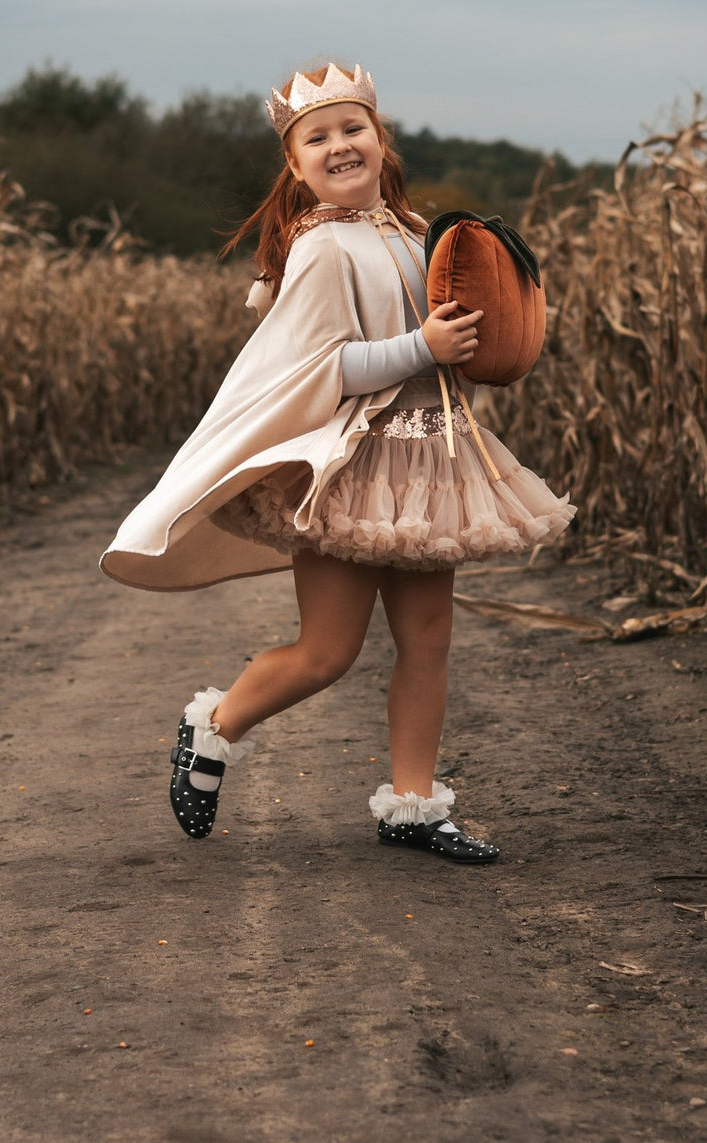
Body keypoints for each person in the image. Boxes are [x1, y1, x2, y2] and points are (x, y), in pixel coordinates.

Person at [101, 62, 575, 863]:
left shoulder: (417, 233)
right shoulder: (320, 249)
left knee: (428, 638)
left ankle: (414, 808)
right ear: (296, 165)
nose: (339, 144)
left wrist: (485, 334)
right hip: (349, 471)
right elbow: (319, 370)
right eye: (317, 137)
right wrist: (419, 346)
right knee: (329, 649)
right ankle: (214, 726)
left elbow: (455, 337)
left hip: (428, 459)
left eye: (352, 128)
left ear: (381, 141)